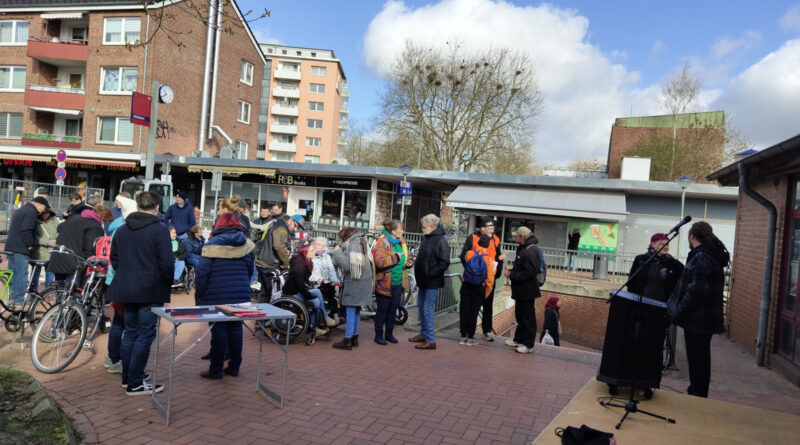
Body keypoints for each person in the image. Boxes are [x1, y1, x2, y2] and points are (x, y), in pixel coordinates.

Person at [107, 192, 172, 395]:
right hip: (150, 289)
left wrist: (127, 273)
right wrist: (165, 282)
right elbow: (167, 263)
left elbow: (115, 259)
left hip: (126, 287)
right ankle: (134, 381)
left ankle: (129, 377)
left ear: (137, 206)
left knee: (130, 332)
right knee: (145, 334)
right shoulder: (159, 230)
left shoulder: (122, 230)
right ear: (156, 208)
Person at [667, 221, 729, 398]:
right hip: (704, 317)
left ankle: (697, 394)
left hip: (697, 318)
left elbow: (697, 290)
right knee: (700, 358)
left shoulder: (701, 256)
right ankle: (698, 392)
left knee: (697, 360)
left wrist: (679, 309)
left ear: (692, 237)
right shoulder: (710, 255)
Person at [194, 212, 255, 379]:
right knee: (236, 329)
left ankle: (216, 370)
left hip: (217, 294)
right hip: (241, 294)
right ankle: (234, 367)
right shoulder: (246, 244)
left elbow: (202, 273)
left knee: (219, 331)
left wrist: (200, 294)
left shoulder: (211, 245)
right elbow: (250, 269)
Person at [103, 194, 137, 375]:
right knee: (124, 323)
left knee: (118, 321)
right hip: (122, 279)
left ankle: (112, 357)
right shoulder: (125, 230)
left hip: (113, 278)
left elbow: (114, 258)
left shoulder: (117, 228)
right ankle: (117, 359)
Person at [459, 216, 505, 342]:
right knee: (472, 308)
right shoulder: (473, 238)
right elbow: (463, 256)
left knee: (487, 305)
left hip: (489, 277)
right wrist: (473, 272)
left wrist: (497, 272)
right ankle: (468, 334)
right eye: (489, 228)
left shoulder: (495, 239)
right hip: (476, 279)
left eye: (493, 228)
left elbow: (498, 256)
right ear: (482, 228)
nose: (492, 231)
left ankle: (486, 331)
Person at [409, 214, 450, 350]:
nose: (422, 228)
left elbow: (444, 262)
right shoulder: (426, 237)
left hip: (432, 280)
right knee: (421, 307)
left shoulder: (441, 240)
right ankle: (424, 334)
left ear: (432, 227)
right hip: (423, 279)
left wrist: (430, 273)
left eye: (424, 226)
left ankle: (431, 340)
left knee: (427, 309)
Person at [331, 227, 374, 350]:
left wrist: (337, 252)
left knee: (350, 310)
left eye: (341, 238)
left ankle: (347, 339)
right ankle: (354, 337)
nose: (341, 241)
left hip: (356, 283)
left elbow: (346, 265)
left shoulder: (353, 244)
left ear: (345, 236)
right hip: (363, 282)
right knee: (356, 310)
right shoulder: (361, 241)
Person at [281, 243, 337, 338]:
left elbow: (304, 282)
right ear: (305, 253)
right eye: (312, 250)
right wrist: (310, 295)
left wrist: (310, 287)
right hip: (291, 294)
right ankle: (314, 327)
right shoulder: (299, 266)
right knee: (315, 302)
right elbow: (300, 286)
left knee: (317, 292)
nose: (314, 252)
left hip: (297, 291)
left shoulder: (306, 262)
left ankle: (325, 317)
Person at [48, 194, 105, 282]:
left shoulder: (75, 217)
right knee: (73, 288)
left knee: (59, 287)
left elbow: (60, 227)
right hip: (75, 262)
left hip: (59, 257)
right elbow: (91, 248)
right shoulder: (94, 225)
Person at [373, 220, 413, 345]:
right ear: (393, 231)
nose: (402, 231)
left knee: (393, 310)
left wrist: (408, 263)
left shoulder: (402, 242)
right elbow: (379, 262)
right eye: (400, 229)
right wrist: (396, 257)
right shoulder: (383, 242)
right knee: (382, 310)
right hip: (384, 283)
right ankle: (378, 336)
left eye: (402, 229)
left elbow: (406, 257)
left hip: (398, 283)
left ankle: (389, 334)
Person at [5, 196, 50, 307]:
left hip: (11, 246)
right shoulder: (31, 212)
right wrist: (29, 245)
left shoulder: (22, 209)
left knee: (13, 273)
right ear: (39, 204)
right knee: (21, 273)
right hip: (21, 247)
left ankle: (12, 298)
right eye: (44, 208)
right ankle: (19, 300)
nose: (43, 211)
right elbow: (26, 230)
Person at [506, 226, 542, 354]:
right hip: (521, 290)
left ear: (522, 237)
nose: (515, 238)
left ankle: (528, 345)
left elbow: (531, 272)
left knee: (527, 318)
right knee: (520, 316)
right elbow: (523, 269)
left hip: (527, 290)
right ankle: (518, 340)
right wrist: (512, 272)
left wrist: (512, 275)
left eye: (516, 236)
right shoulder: (524, 248)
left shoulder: (530, 250)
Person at [459, 234, 495, 346]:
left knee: (464, 310)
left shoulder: (469, 254)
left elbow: (466, 264)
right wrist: (486, 293)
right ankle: (470, 338)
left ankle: (462, 336)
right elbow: (490, 279)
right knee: (473, 312)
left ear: (478, 243)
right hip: (479, 288)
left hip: (466, 285)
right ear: (488, 245)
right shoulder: (489, 259)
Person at [628, 233, 684, 302]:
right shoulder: (641, 259)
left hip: (663, 305)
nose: (666, 247)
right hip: (640, 303)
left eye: (667, 244)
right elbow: (631, 281)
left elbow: (681, 286)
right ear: (653, 244)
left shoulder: (675, 264)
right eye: (662, 244)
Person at [310, 237, 341, 320]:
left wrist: (336, 283)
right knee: (327, 292)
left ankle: (335, 315)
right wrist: (321, 281)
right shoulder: (310, 256)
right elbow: (310, 275)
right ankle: (326, 317)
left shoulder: (327, 257)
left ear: (324, 248)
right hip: (315, 284)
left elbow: (332, 271)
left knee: (336, 290)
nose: (315, 245)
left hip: (326, 283)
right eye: (314, 243)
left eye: (318, 244)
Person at [30, 207, 59, 287]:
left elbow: (59, 231)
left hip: (51, 251)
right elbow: (34, 237)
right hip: (39, 251)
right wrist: (47, 242)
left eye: (47, 213)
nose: (45, 215)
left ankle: (48, 291)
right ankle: (33, 289)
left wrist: (56, 239)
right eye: (43, 213)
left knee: (50, 272)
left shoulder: (54, 220)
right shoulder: (35, 221)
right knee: (36, 272)